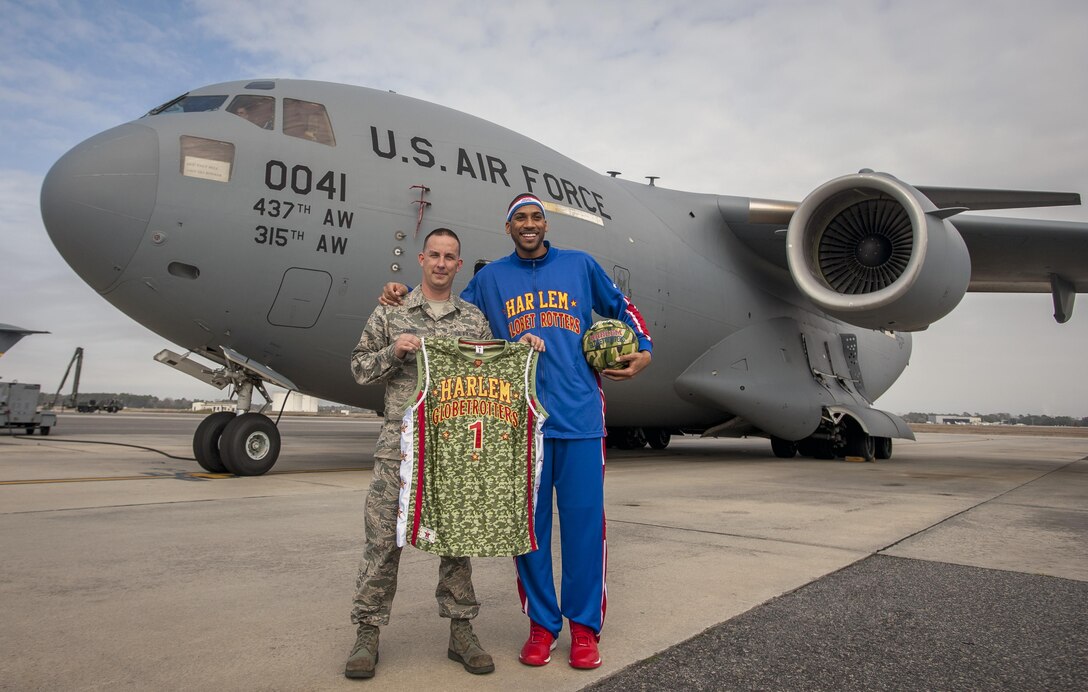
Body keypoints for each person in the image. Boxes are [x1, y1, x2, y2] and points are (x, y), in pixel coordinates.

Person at [380, 193, 652, 670]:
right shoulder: (490, 279)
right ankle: (543, 626)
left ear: (545, 224)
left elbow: (623, 308)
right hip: (520, 425)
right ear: (508, 228)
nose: (529, 225)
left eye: (535, 218)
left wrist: (643, 349)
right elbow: (451, 321)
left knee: (587, 530)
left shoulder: (581, 266)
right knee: (528, 534)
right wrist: (401, 295)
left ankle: (585, 629)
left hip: (580, 419)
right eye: (519, 219)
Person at [346, 228, 497, 679]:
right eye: (435, 254)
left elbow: (491, 379)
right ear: (421, 258)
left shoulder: (473, 320)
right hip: (399, 449)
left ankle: (461, 631)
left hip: (451, 451)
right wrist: (393, 351)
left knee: (456, 542)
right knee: (382, 542)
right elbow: (359, 369)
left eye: (450, 257)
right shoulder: (391, 311)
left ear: (458, 264)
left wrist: (524, 350)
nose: (441, 263)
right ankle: (367, 634)